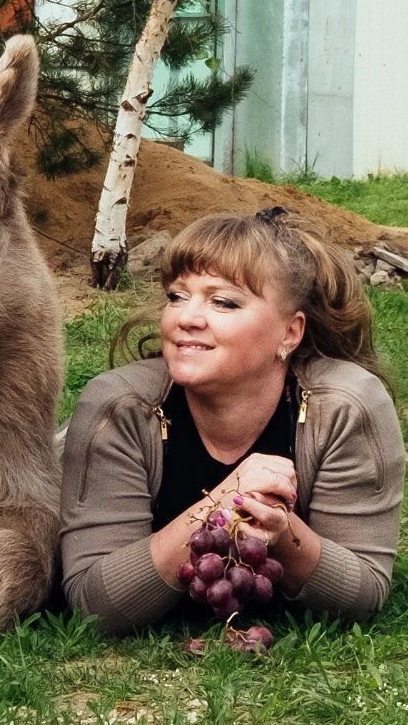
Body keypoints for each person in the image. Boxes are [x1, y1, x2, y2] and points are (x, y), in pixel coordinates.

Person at [60, 208, 406, 635]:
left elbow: (364, 593)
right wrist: (221, 505)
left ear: (289, 333)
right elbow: (95, 604)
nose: (186, 317)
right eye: (177, 296)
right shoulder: (120, 408)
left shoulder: (346, 408)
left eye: (223, 301)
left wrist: (284, 533)